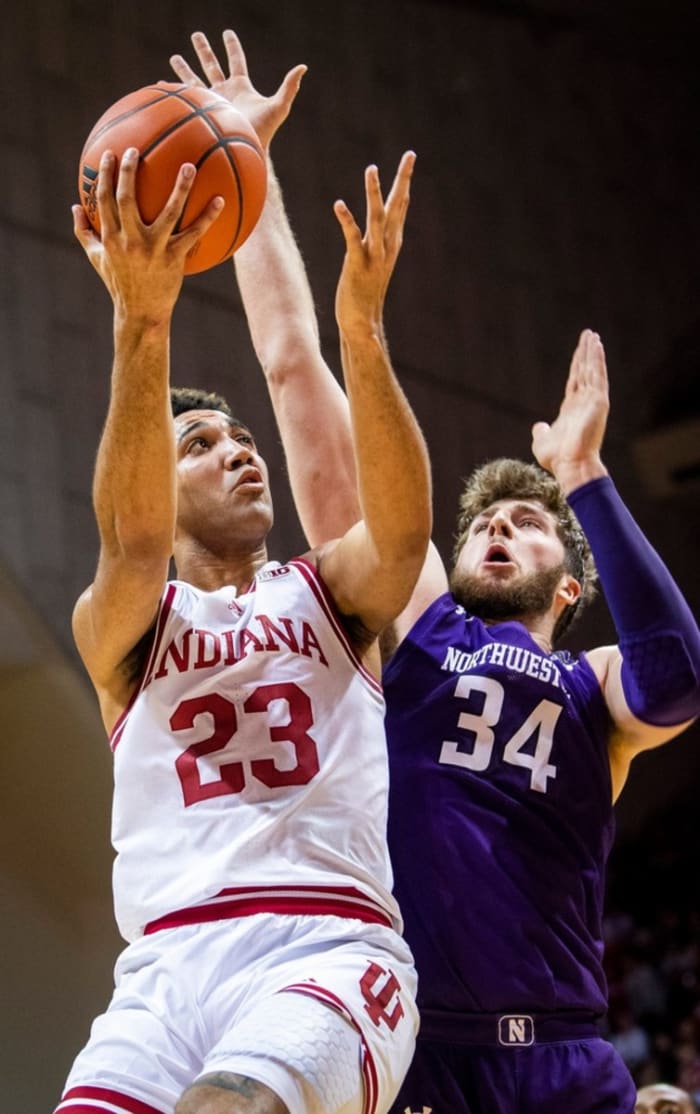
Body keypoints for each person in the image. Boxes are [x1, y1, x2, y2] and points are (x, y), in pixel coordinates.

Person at [249, 194, 700, 1112]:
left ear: (570, 584)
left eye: (526, 525)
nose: (496, 527)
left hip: (570, 1058)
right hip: (427, 1050)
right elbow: (298, 374)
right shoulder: (419, 623)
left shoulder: (593, 687)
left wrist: (583, 477)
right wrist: (250, 192)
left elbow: (679, 677)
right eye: (483, 523)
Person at [54, 30, 433, 1114]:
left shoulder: (327, 592)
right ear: (157, 489)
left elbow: (402, 538)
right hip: (165, 972)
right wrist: (143, 311)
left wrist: (361, 331)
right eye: (202, 444)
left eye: (239, 435)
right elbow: (125, 542)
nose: (239, 447)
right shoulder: (125, 623)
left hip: (325, 947)